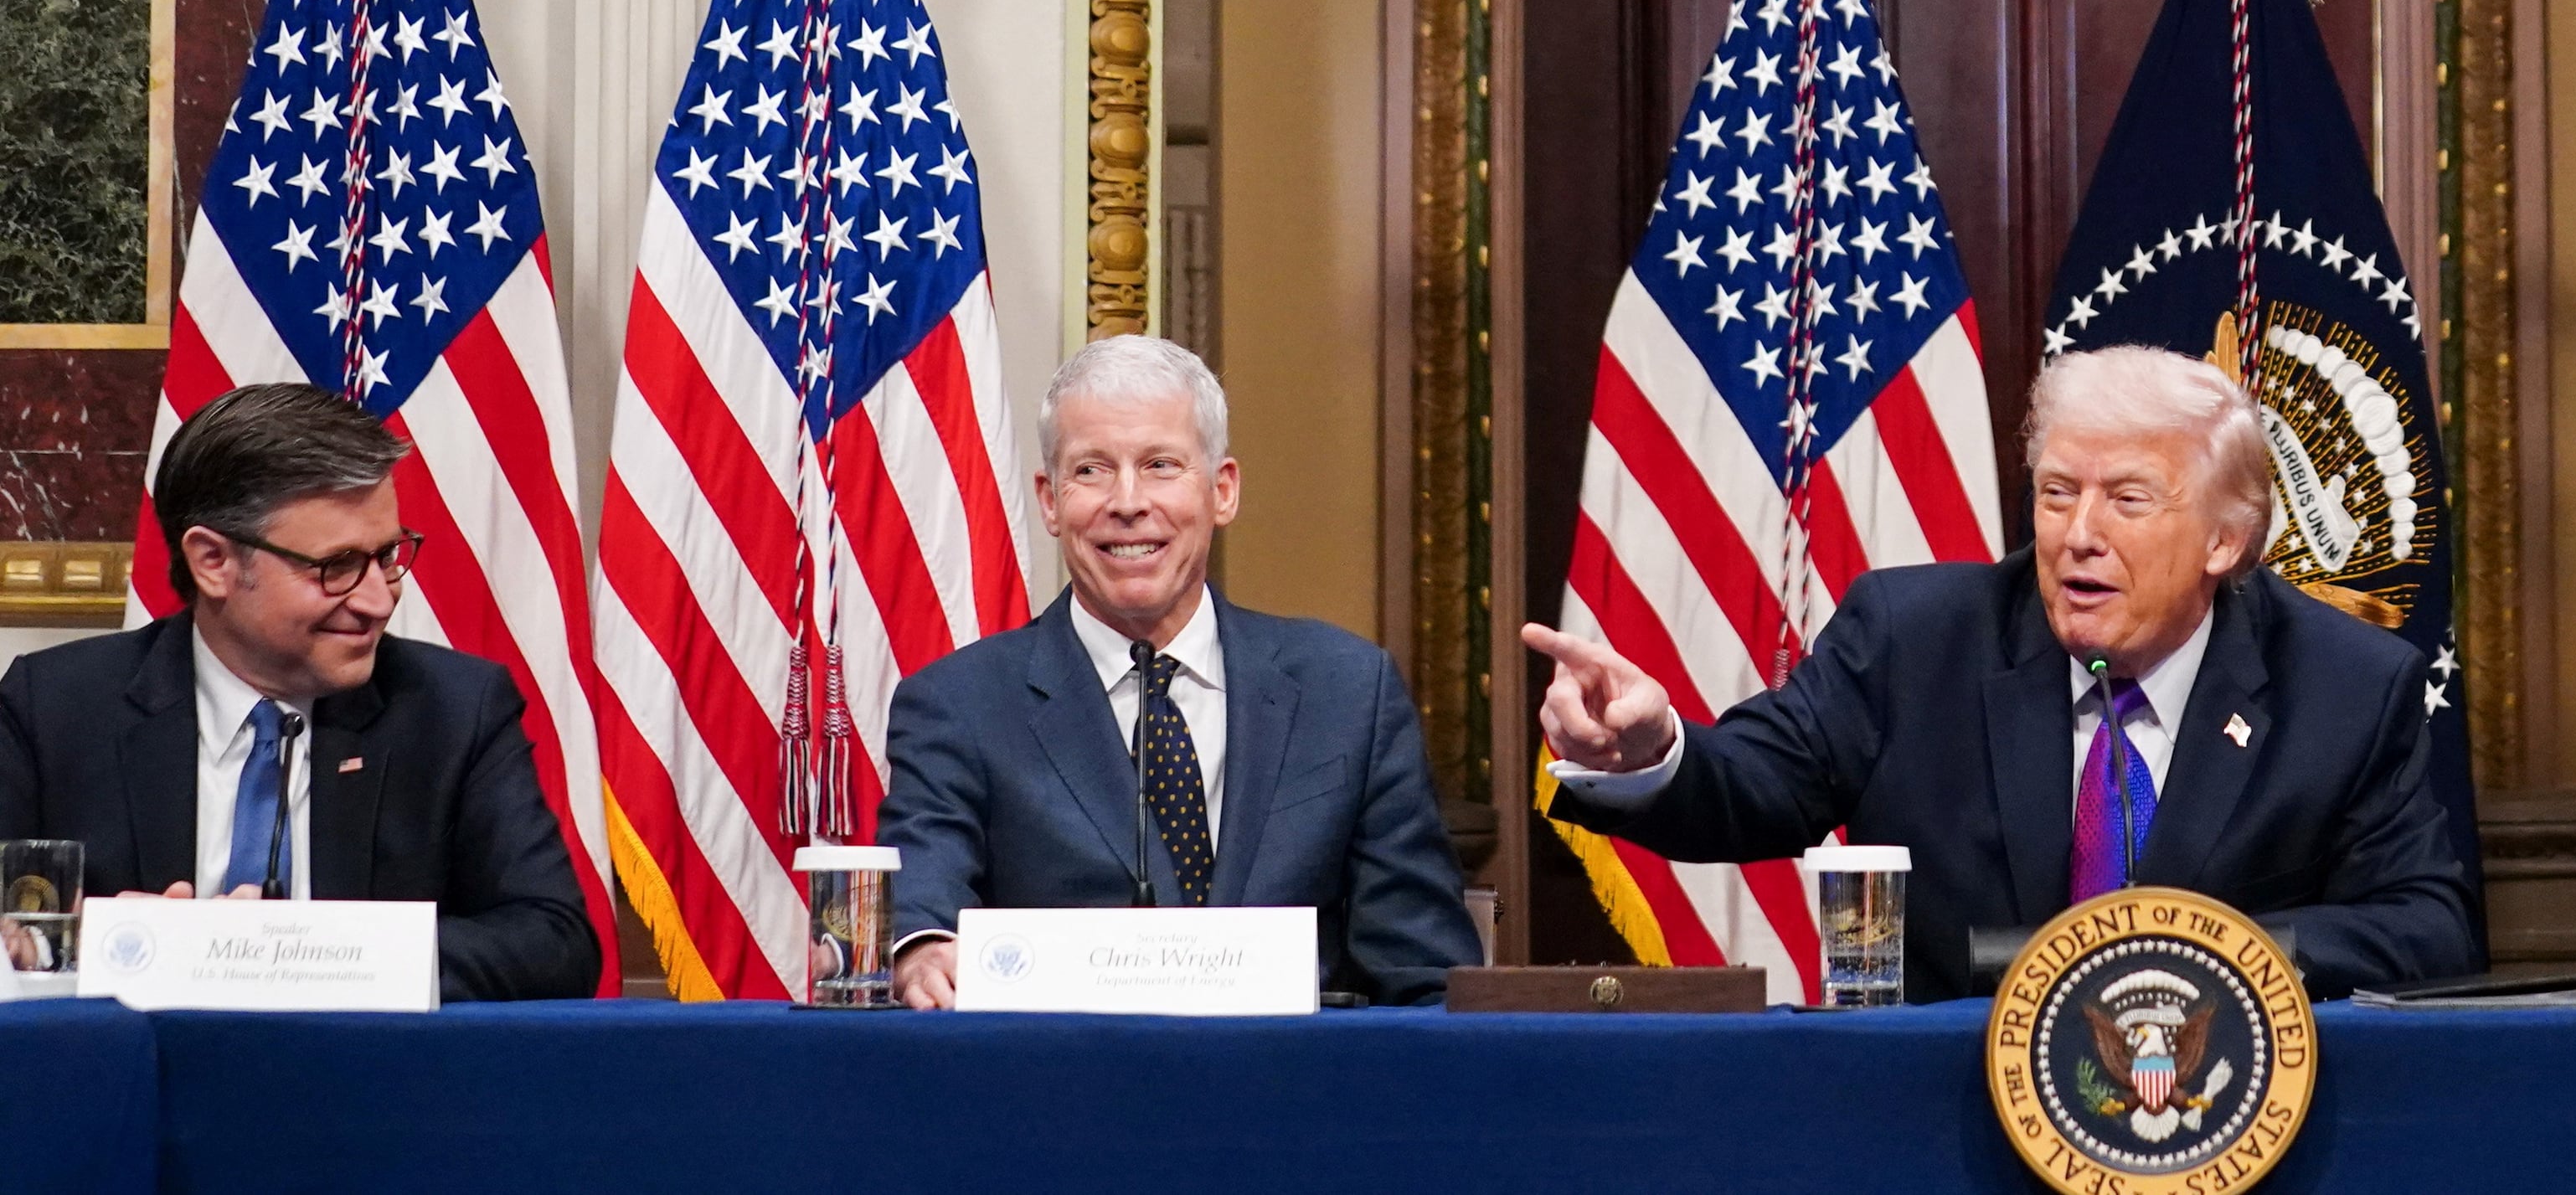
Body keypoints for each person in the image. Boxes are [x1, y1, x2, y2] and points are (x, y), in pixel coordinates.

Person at [1529, 344, 2477, 999]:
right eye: (2057, 492)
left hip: (2218, 1116)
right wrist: (1649, 749)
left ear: (2225, 539)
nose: (2078, 535)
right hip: (1950, 1122)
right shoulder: (1914, 638)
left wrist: (2198, 957)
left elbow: (2425, 927)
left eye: (2128, 500)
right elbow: (1754, 785)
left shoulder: (2344, 683)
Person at [879, 335, 1476, 1005]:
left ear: (1222, 490)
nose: (1128, 500)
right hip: (1065, 1097)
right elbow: (923, 893)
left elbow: (1425, 976)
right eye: (1092, 470)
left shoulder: (1347, 692)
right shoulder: (958, 705)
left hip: (1295, 1096)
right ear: (1049, 500)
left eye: (1161, 464)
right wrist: (922, 949)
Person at [0, 384, 599, 1001]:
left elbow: (555, 944)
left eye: (388, 555)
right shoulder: (53, 708)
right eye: (336, 565)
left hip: (369, 1084)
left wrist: (302, 952)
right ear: (213, 562)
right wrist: (105, 945)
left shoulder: (455, 709)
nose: (379, 599)